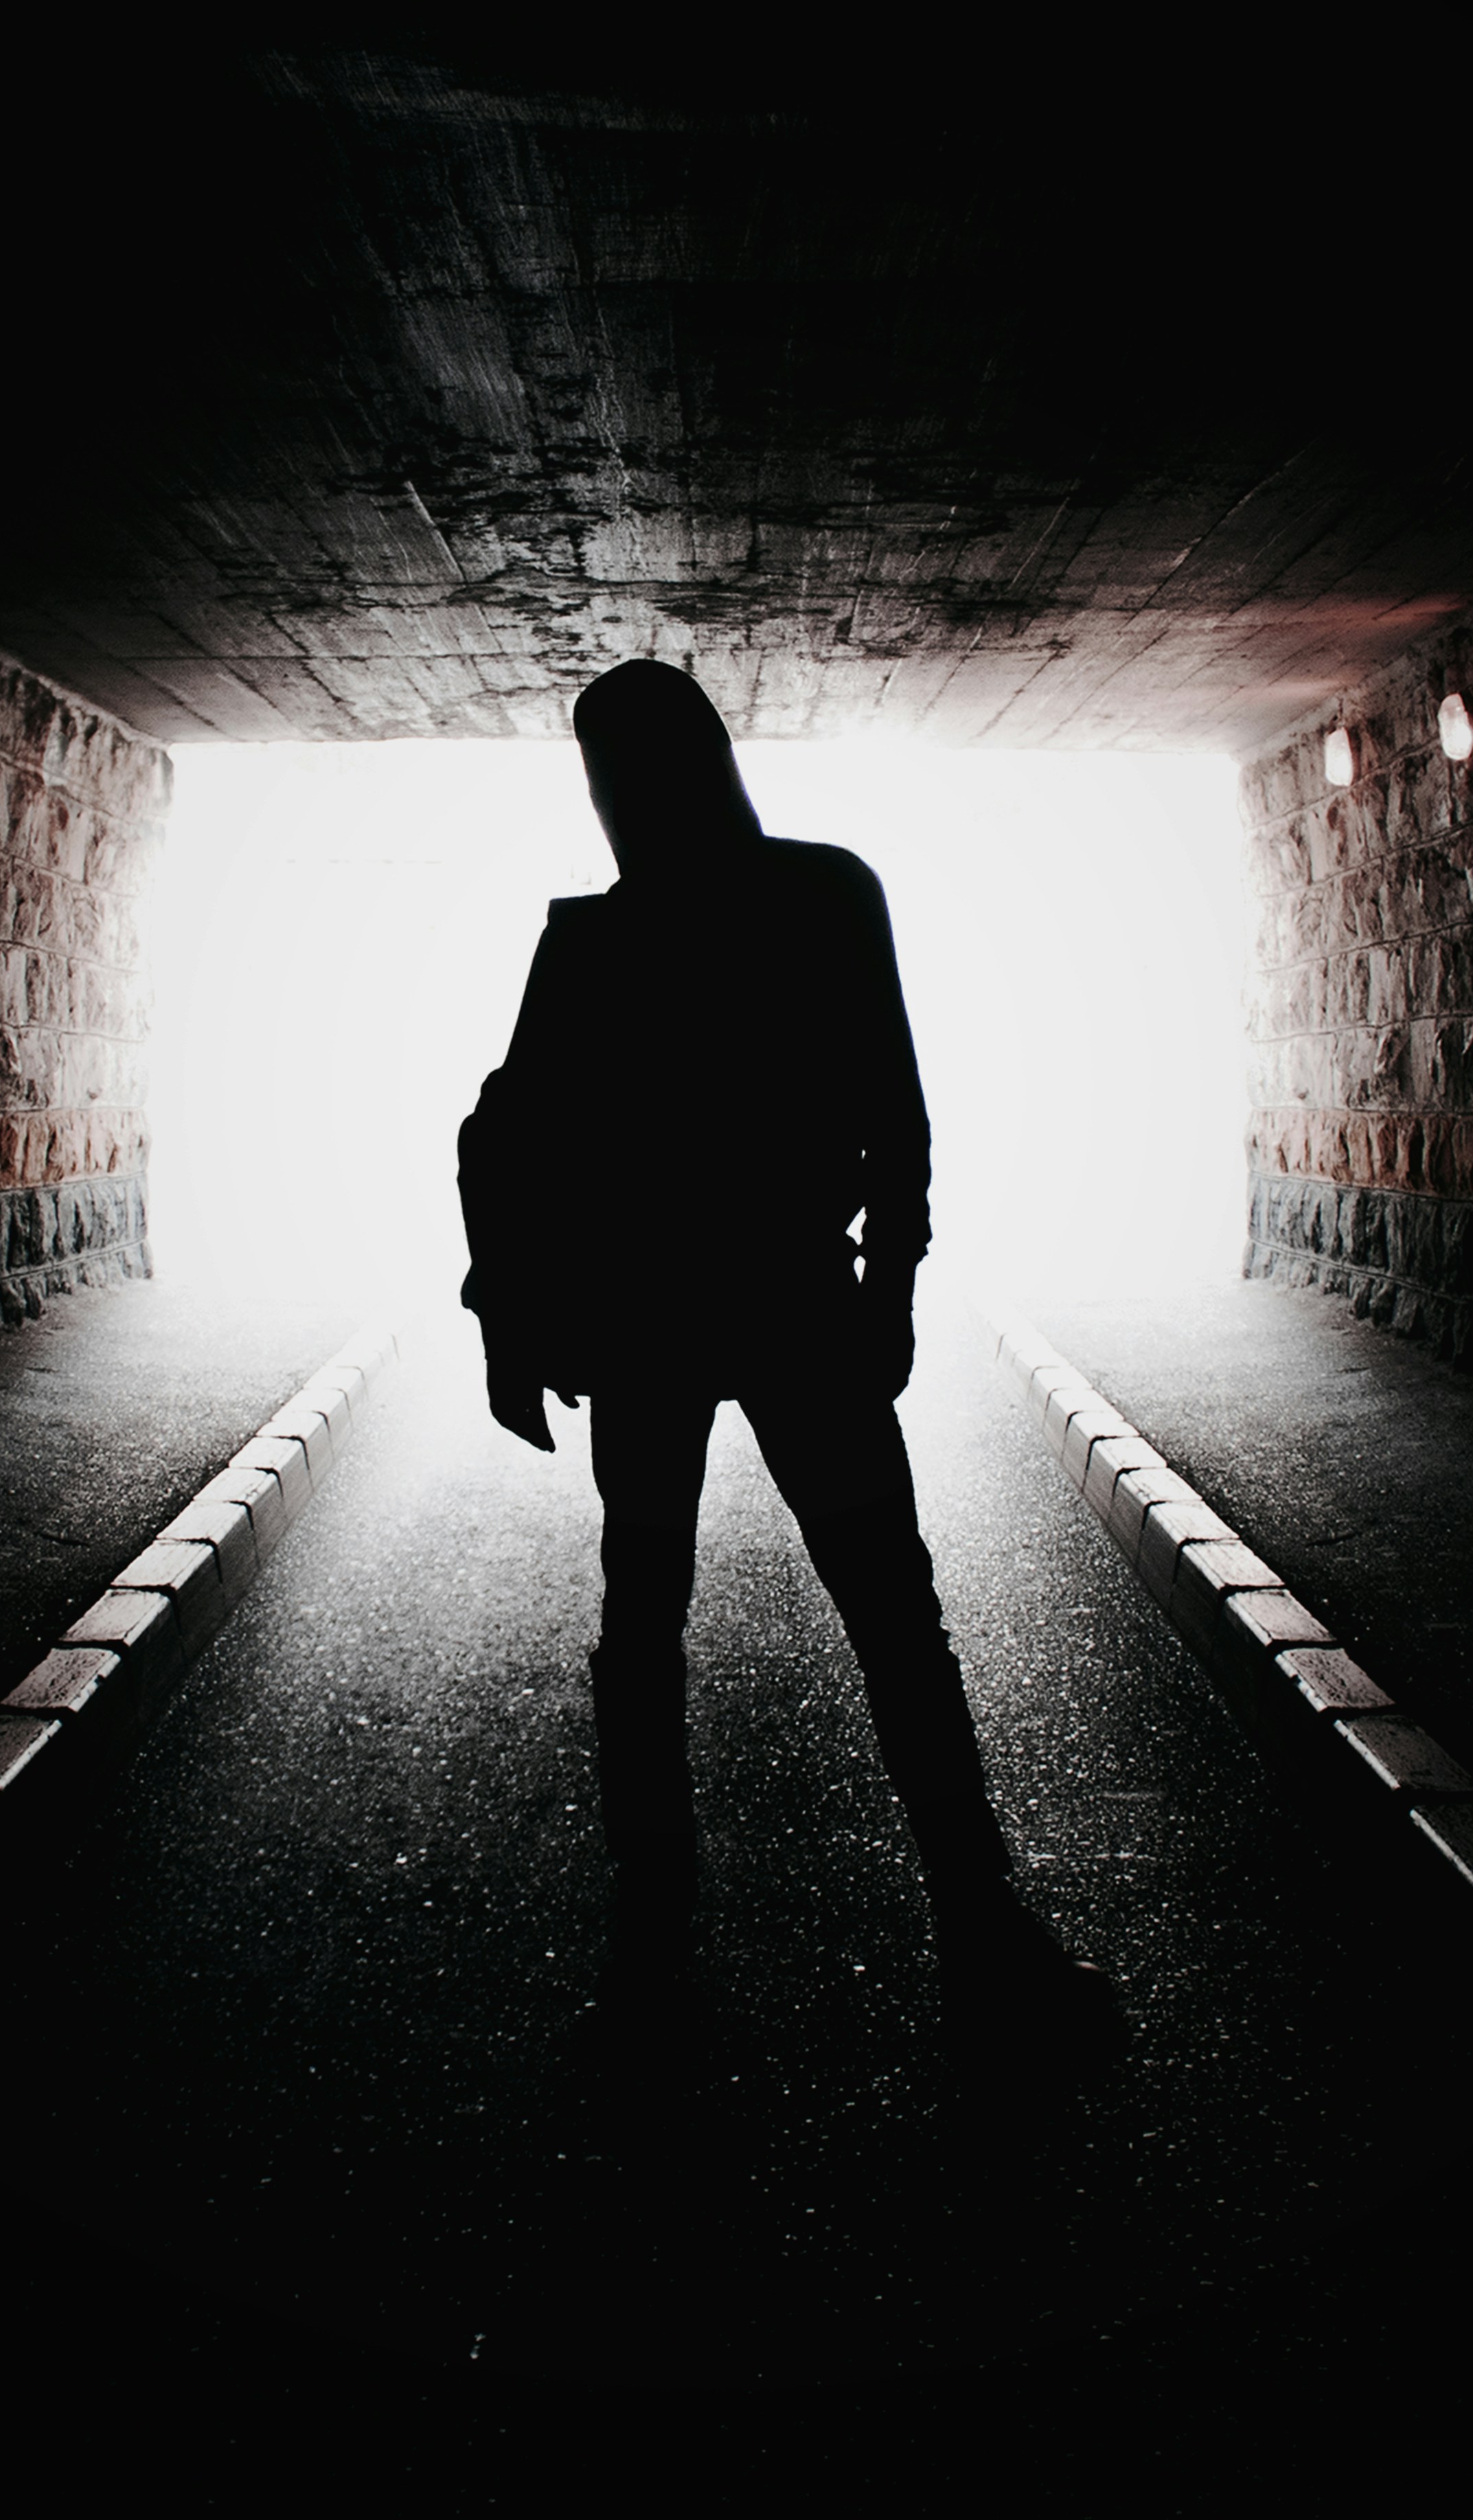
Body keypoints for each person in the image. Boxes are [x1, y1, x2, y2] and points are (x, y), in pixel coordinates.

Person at [457, 659, 1119, 2050]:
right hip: (790, 1307)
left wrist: (514, 1323)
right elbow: (893, 1115)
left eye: (615, 774)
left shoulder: (598, 939)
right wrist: (889, 1289)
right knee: (879, 1613)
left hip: (663, 1320)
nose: (612, 800)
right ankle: (972, 1922)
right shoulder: (821, 894)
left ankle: (660, 1943)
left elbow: (505, 1139)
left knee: (663, 1617)